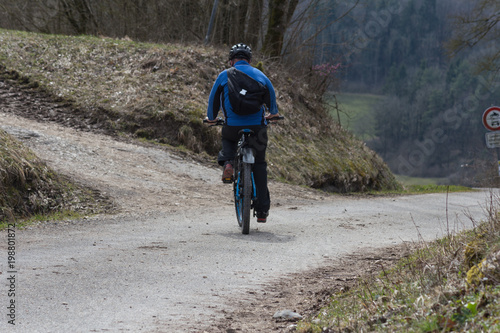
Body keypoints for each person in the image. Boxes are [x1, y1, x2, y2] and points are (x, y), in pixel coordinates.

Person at [206, 43, 281, 223]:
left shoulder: (224, 75)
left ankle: (229, 163)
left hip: (232, 126)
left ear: (231, 61)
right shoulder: (261, 76)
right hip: (257, 127)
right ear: (249, 60)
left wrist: (211, 118)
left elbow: (213, 101)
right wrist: (272, 115)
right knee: (260, 165)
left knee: (228, 138)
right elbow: (272, 104)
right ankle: (262, 211)